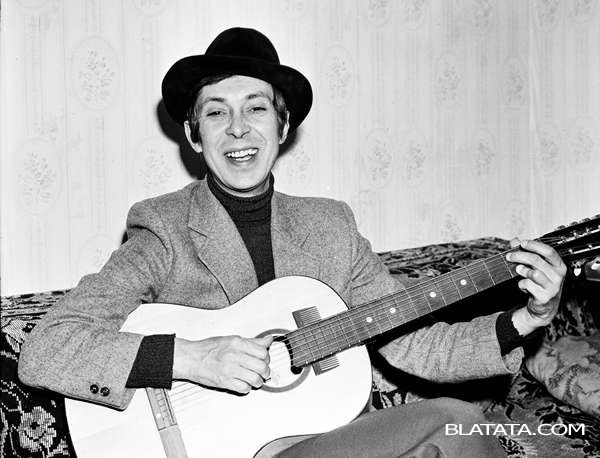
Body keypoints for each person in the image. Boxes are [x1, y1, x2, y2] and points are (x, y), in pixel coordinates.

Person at [18, 27, 566, 457]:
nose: (238, 128)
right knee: (460, 423)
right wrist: (191, 358)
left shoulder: (331, 226)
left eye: (256, 108)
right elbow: (47, 349)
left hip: (330, 441)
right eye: (216, 112)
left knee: (466, 428)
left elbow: (414, 343)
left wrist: (526, 318)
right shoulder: (163, 228)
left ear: (282, 128)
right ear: (193, 135)